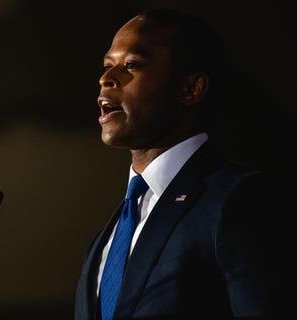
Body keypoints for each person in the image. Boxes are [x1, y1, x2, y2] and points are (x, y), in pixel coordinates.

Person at [74, 7, 291, 320]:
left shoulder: (239, 201)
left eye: (131, 65)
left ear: (190, 89)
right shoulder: (106, 237)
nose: (106, 79)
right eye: (107, 66)